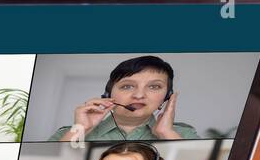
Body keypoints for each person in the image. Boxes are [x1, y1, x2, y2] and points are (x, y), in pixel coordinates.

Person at [50, 56, 197, 142]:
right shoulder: (67, 134)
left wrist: (167, 134)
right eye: (127, 86)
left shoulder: (184, 135)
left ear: (167, 97)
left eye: (154, 87)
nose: (139, 95)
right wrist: (81, 129)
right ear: (108, 94)